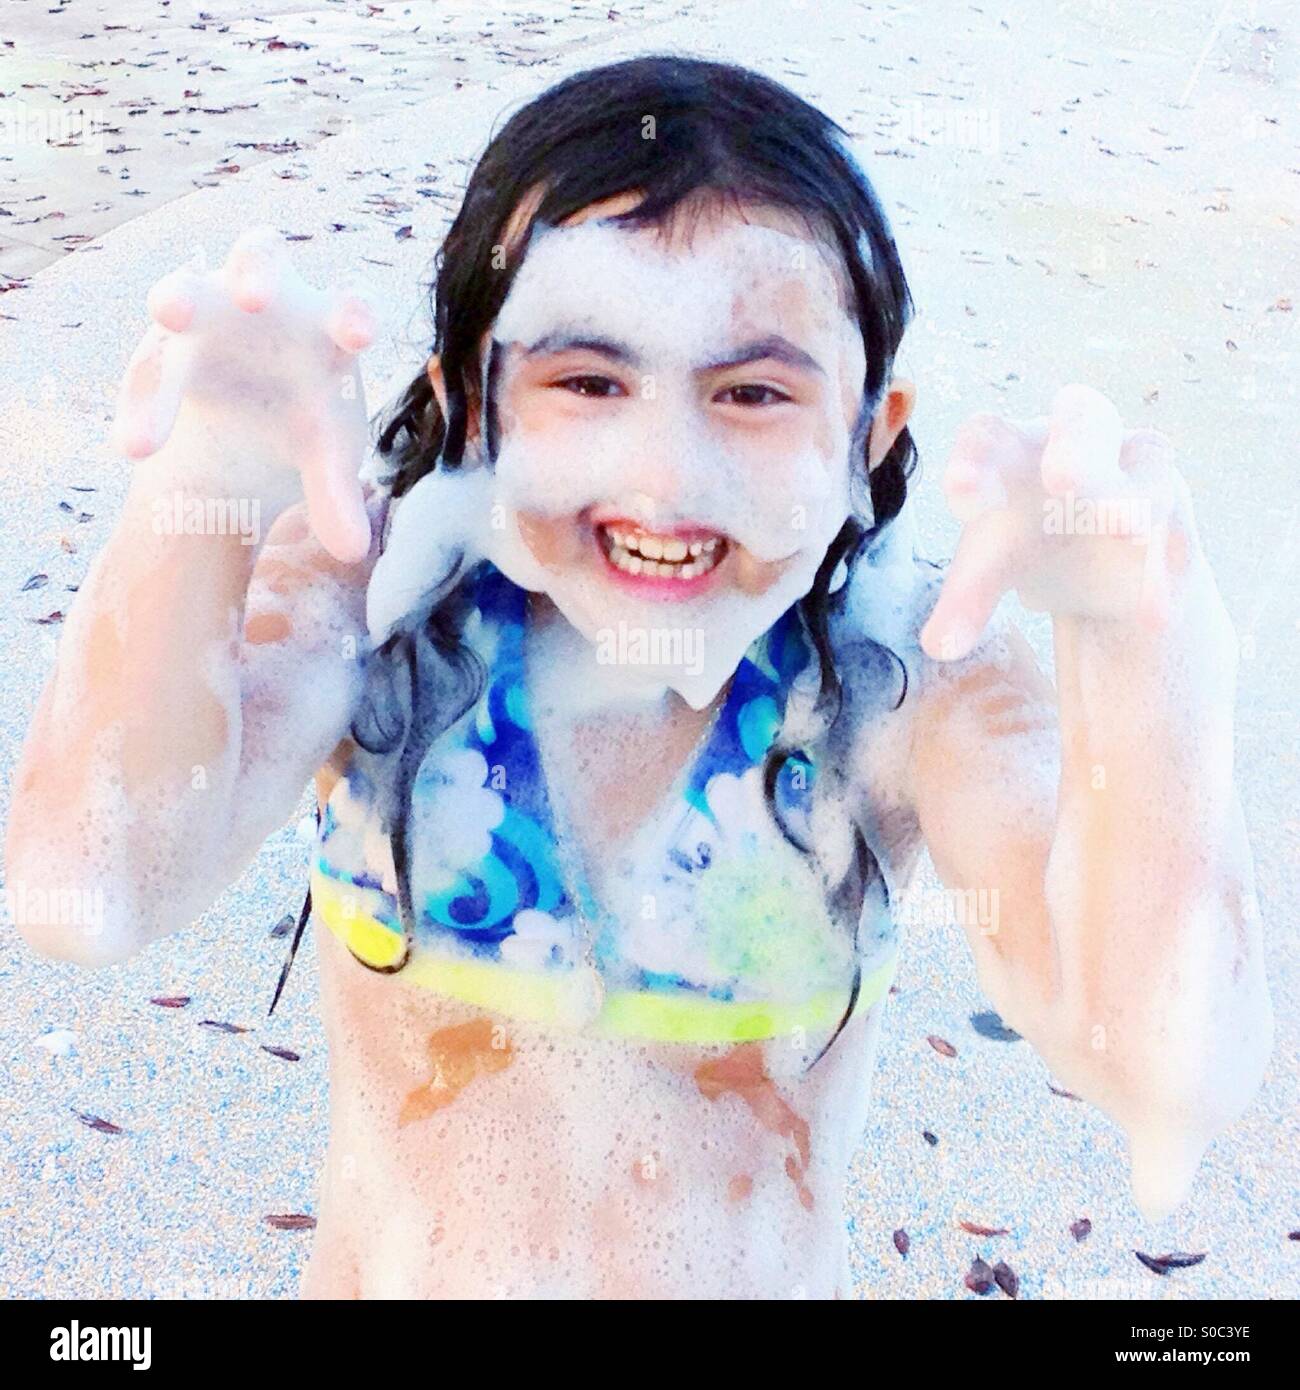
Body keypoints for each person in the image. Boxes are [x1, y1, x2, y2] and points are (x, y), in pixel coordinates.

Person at [5, 55, 1271, 1300]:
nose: (664, 476)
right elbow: (91, 880)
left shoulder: (901, 679)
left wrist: (1128, 648)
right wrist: (212, 479)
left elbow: (1163, 1067)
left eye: (753, 391)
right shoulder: (380, 602)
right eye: (590, 380)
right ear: (474, 405)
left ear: (866, 433)